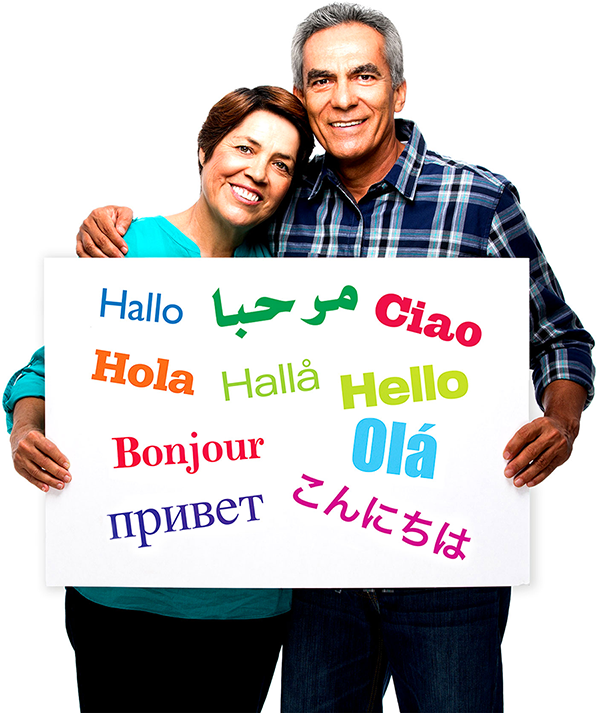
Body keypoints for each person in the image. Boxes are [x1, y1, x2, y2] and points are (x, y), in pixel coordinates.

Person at [40, 3, 598, 712]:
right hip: (316, 570)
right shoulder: (287, 200)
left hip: (444, 558)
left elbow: (558, 336)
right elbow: (199, 269)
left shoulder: (479, 201)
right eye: (320, 79)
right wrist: (114, 226)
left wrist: (563, 417)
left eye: (363, 75)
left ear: (398, 90)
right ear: (302, 95)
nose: (342, 97)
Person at [5, 85, 313, 713]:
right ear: (205, 151)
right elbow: (45, 373)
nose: (258, 172)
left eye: (282, 163)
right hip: (119, 586)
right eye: (244, 148)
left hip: (244, 600)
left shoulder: (294, 273)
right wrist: (25, 430)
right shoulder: (124, 247)